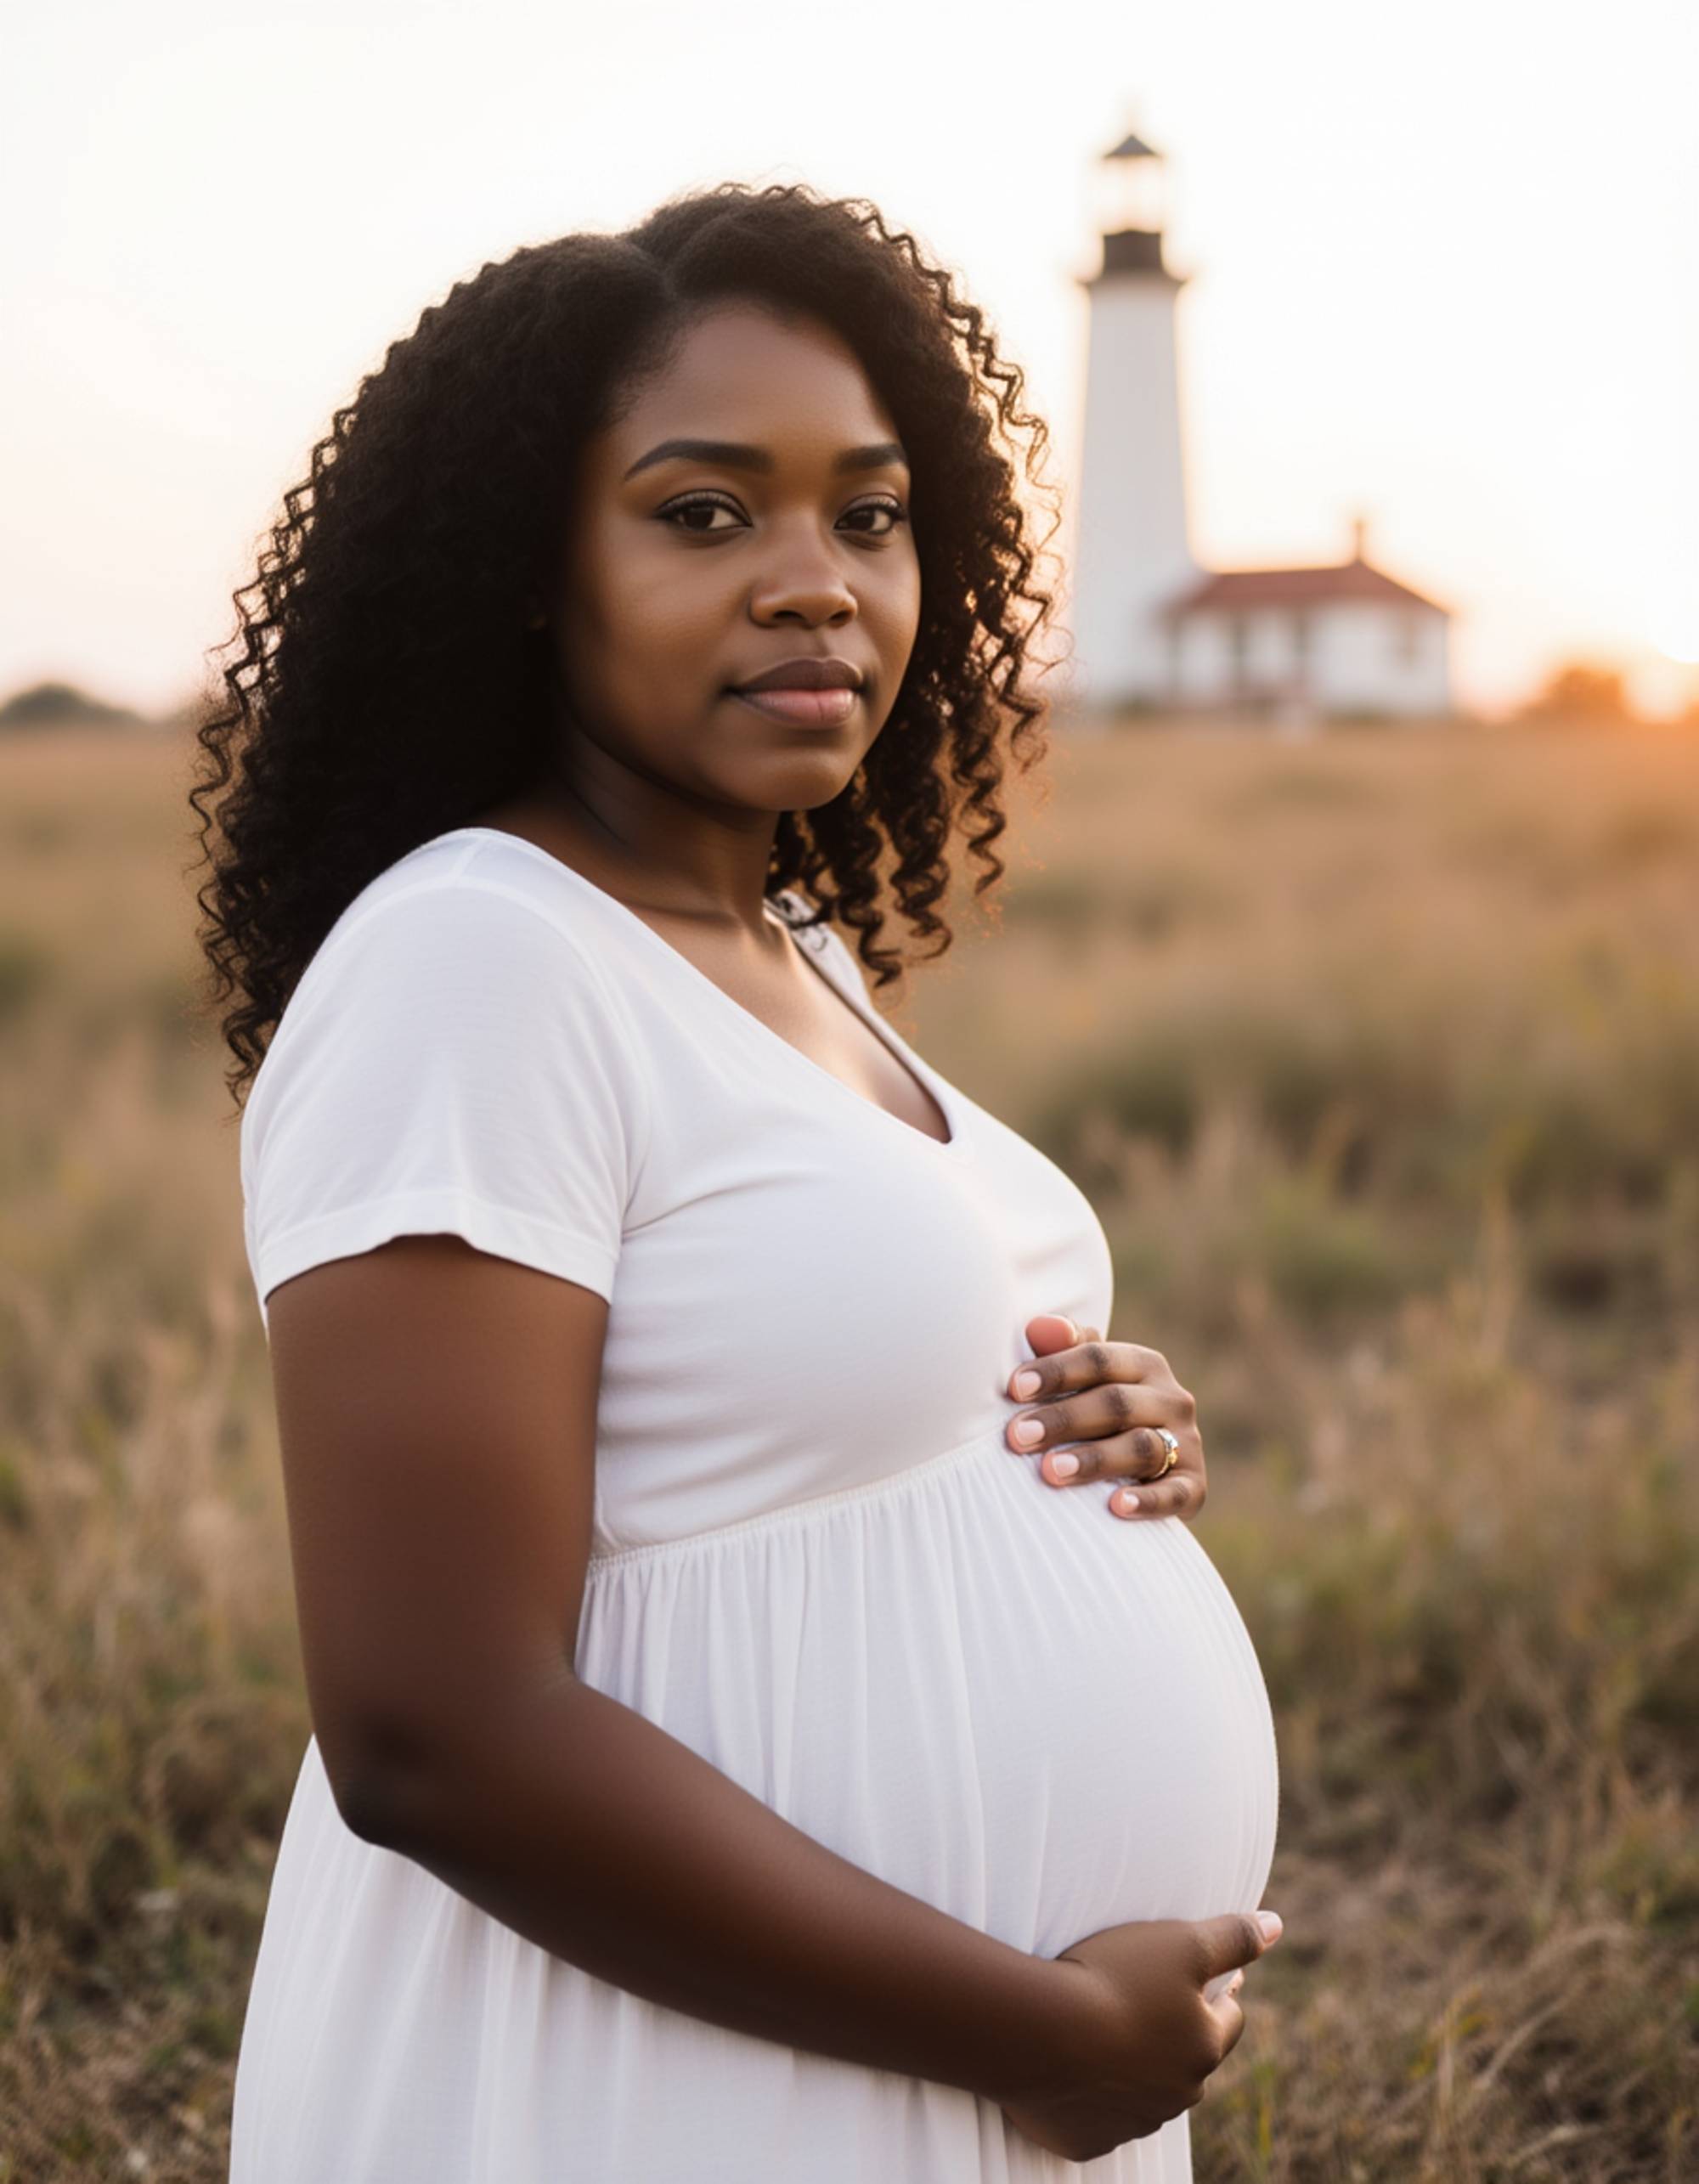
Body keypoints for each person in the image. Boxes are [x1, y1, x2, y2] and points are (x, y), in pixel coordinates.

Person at [191, 179, 1283, 2182]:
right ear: (532, 565)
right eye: (705, 513)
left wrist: (1074, 1437)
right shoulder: (474, 959)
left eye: (867, 514)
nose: (817, 582)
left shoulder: (792, 946)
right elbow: (432, 1724)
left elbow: (795, 1403)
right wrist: (1041, 2025)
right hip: (647, 2088)